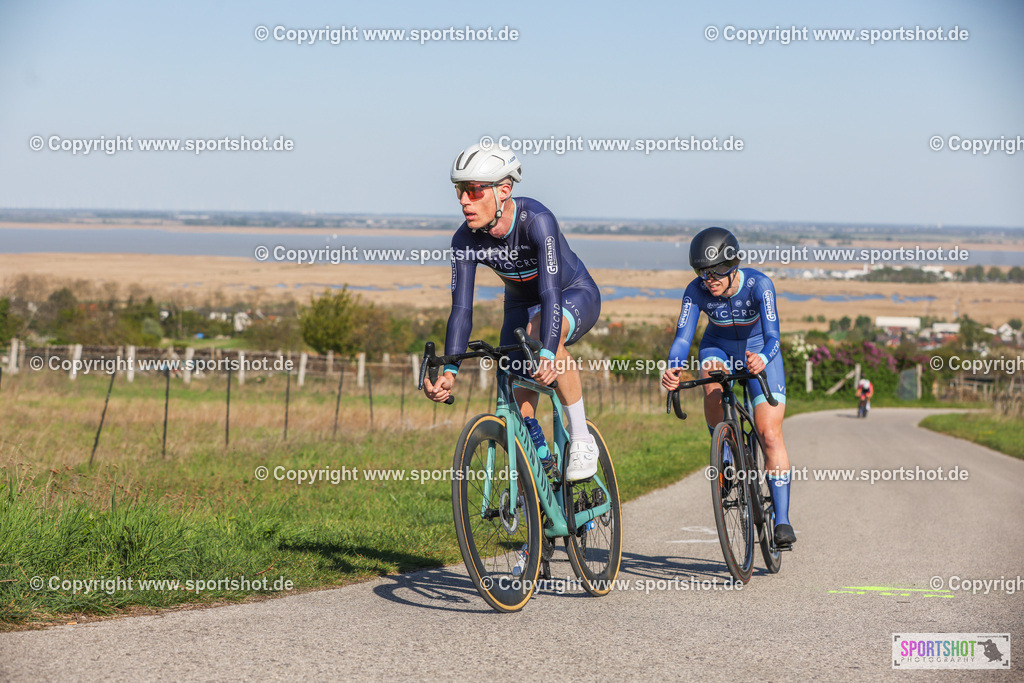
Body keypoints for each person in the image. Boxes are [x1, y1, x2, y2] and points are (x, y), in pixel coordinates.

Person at [423, 142, 603, 482]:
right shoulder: (465, 240)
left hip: (570, 293)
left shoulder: (536, 220)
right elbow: (461, 310)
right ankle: (537, 485)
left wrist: (548, 353)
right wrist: (450, 370)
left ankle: (581, 437)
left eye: (474, 190)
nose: (464, 201)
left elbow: (550, 295)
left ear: (504, 189)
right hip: (519, 304)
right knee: (516, 393)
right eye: (460, 190)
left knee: (541, 335)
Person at [660, 227, 796, 548]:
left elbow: (774, 336)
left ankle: (782, 519)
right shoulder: (696, 291)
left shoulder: (759, 285)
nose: (710, 279)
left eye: (718, 270)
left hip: (760, 353)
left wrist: (762, 358)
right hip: (718, 348)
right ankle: (724, 456)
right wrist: (673, 368)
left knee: (770, 434)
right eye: (702, 272)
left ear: (734, 263)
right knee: (712, 386)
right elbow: (683, 338)